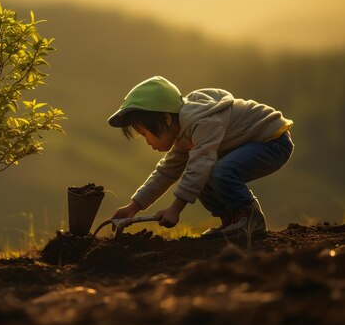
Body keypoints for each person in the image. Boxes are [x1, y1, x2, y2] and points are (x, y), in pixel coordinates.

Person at [108, 76, 294, 237]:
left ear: (166, 119)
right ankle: (232, 222)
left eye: (145, 133)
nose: (147, 142)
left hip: (273, 141)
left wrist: (175, 209)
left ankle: (251, 220)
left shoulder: (202, 122)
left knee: (215, 171)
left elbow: (200, 164)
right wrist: (133, 207)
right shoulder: (182, 135)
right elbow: (166, 172)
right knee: (204, 176)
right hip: (256, 144)